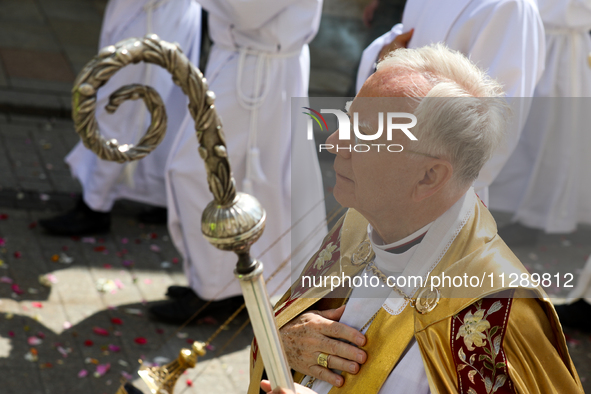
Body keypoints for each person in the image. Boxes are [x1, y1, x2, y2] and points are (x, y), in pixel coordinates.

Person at [248, 44, 583, 394]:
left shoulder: (496, 314)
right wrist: (283, 340)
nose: (333, 142)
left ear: (429, 177)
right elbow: (285, 334)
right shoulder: (361, 224)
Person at [150, 0, 327, 322]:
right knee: (249, 179)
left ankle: (215, 293)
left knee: (196, 173)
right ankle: (226, 286)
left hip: (259, 70)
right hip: (249, 61)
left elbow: (248, 9)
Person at [355, 0, 545, 205]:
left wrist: (439, 189)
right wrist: (386, 57)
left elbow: (500, 114)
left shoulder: (512, 7)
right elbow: (404, 38)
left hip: (437, 183)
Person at [39, 0, 202, 235]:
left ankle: (94, 206)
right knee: (163, 107)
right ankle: (164, 197)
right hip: (155, 12)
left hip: (154, 15)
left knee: (124, 108)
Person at [488, 0, 591, 246]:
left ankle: (540, 217)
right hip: (528, 41)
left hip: (563, 51)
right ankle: (514, 208)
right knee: (520, 132)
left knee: (556, 136)